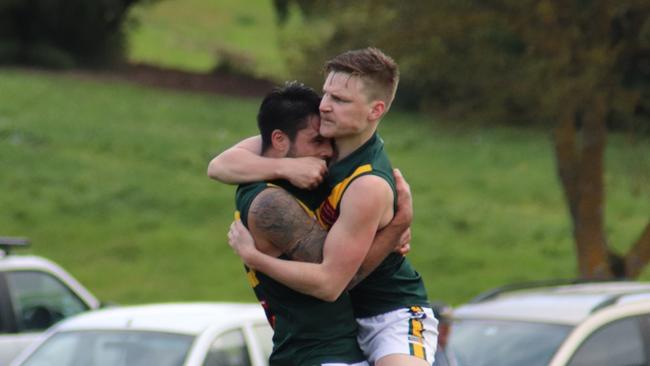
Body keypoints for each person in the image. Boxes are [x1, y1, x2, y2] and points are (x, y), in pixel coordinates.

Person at [215, 48, 438, 366]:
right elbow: (220, 165)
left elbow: (332, 283)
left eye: (341, 101)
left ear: (375, 110)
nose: (325, 106)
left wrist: (254, 258)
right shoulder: (316, 135)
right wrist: (285, 168)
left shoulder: (367, 184)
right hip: (339, 323)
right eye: (326, 94)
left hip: (388, 312)